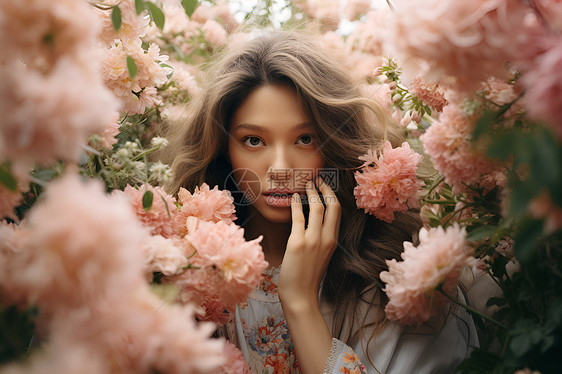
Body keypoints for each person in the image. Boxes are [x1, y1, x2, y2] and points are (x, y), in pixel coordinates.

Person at [162, 30, 477, 374]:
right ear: (225, 150)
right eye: (253, 140)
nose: (281, 169)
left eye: (305, 138)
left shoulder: (396, 277)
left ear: (334, 143)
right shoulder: (185, 272)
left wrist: (300, 303)